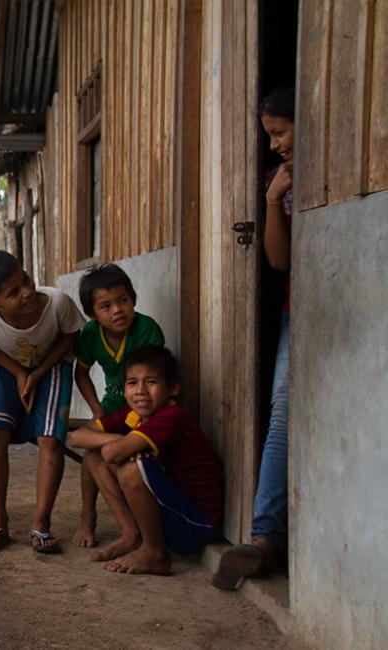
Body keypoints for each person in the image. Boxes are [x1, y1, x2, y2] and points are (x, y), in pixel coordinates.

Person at [213, 86, 295, 590]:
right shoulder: (278, 180)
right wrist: (271, 198)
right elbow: (279, 261)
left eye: (280, 132)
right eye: (270, 135)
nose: (274, 144)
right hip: (295, 309)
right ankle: (264, 539)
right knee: (282, 416)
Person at [0, 250, 85, 554]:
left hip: (53, 365)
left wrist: (37, 373)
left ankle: (41, 524)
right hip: (5, 368)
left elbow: (71, 336)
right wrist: (19, 372)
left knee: (51, 440)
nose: (28, 292)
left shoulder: (57, 303)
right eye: (14, 292)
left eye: (26, 280)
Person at [69, 346, 223, 574]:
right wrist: (121, 440)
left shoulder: (173, 416)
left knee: (131, 467)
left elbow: (113, 453)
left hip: (195, 524)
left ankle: (155, 553)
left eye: (151, 382)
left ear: (173, 389)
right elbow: (77, 437)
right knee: (94, 456)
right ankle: (131, 533)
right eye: (132, 383)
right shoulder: (133, 414)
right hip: (172, 513)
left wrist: (120, 446)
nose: (140, 391)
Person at [71, 264, 165, 549]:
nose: (117, 311)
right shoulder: (90, 334)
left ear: (133, 299)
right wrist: (97, 408)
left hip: (145, 400)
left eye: (123, 301)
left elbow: (155, 377)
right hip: (114, 400)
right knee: (90, 452)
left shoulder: (146, 329)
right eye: (106, 306)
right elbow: (80, 373)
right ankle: (88, 517)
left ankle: (136, 522)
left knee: (109, 452)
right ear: (92, 314)